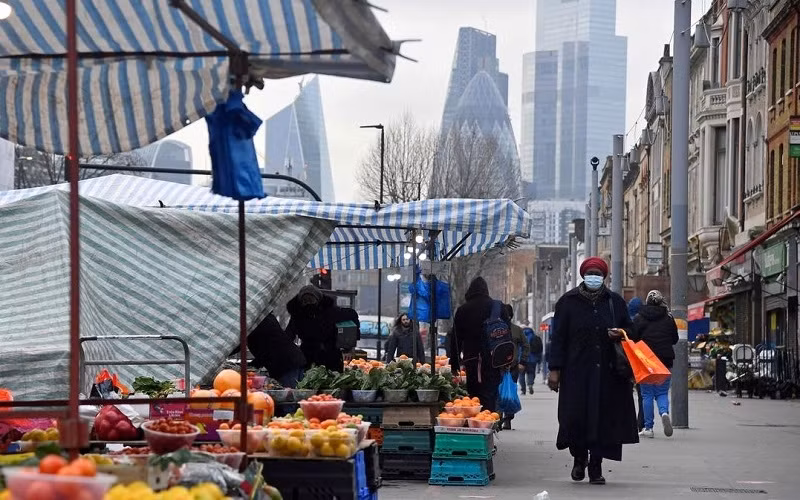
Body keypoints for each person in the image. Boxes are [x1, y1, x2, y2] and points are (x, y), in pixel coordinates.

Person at [547, 257, 639, 485]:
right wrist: (554, 369)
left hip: (608, 374)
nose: (594, 277)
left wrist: (621, 333)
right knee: (575, 417)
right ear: (583, 275)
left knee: (603, 420)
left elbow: (631, 330)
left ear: (604, 276)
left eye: (598, 273)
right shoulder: (568, 302)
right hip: (577, 372)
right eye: (591, 273)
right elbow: (558, 338)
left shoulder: (615, 302)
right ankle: (579, 459)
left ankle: (596, 466)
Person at [451, 277, 509, 412]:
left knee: (474, 395)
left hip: (472, 359)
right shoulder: (498, 307)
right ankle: (489, 420)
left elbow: (455, 339)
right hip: (495, 360)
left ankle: (478, 423)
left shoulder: (463, 310)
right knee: (491, 394)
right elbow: (507, 335)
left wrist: (455, 364)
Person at [632, 290, 679, 439]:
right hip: (665, 360)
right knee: (662, 393)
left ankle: (648, 428)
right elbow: (674, 339)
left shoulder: (639, 317)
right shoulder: (668, 318)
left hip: (646, 361)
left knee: (647, 394)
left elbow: (633, 339)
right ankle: (664, 412)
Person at [286, 285, 360, 373]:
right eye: (305, 300)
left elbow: (351, 315)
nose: (308, 303)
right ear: (300, 302)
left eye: (310, 300)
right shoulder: (297, 316)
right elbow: (288, 336)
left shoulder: (330, 312)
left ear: (317, 299)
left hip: (330, 356)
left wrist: (349, 345)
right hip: (309, 357)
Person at [247, 312, 306, 388]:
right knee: (296, 394)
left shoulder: (255, 323)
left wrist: (252, 365)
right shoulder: (263, 317)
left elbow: (268, 348)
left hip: (285, 364)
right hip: (293, 359)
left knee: (289, 396)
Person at [501, 304, 530, 429]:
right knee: (498, 392)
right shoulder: (495, 330)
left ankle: (508, 418)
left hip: (513, 368)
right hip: (497, 367)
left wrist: (522, 362)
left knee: (510, 393)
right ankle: (497, 417)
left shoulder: (517, 330)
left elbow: (526, 346)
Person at [628, 297, 645, 432]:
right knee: (643, 395)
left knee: (626, 394)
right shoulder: (643, 321)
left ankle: (628, 423)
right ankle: (641, 423)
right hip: (642, 361)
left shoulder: (627, 321)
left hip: (627, 362)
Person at [520, 325, 543, 395]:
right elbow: (540, 349)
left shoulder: (520, 337)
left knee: (521, 374)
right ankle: (530, 384)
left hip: (522, 359)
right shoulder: (535, 337)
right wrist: (539, 359)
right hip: (532, 359)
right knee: (531, 373)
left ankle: (523, 390)